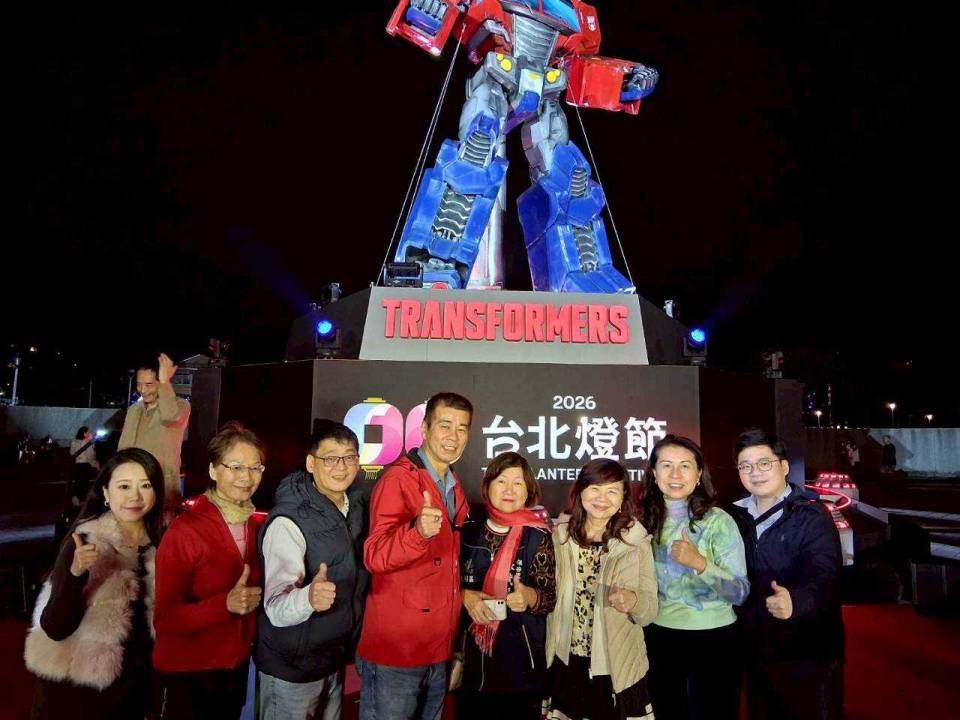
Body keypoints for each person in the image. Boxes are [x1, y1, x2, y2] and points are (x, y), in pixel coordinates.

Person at [356, 392, 473, 720]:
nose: (453, 436)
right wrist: (417, 534)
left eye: (462, 428)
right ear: (424, 429)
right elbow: (374, 556)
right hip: (397, 652)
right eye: (445, 425)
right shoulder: (399, 478)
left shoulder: (451, 483)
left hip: (436, 649)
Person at [25, 448, 165, 719]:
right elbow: (55, 626)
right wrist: (76, 573)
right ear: (105, 493)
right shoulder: (86, 540)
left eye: (145, 485)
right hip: (81, 692)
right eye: (124, 486)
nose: (135, 496)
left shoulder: (162, 544)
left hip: (133, 688)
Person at [255, 420, 370, 720]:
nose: (341, 467)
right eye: (330, 458)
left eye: (349, 457)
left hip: (333, 661)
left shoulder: (357, 509)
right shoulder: (288, 521)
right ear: (310, 463)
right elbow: (275, 607)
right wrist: (308, 598)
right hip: (291, 669)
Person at [728, 428, 845, 720]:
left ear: (783, 466)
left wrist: (798, 600)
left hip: (807, 651)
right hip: (756, 650)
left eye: (764, 463)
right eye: (745, 466)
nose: (755, 472)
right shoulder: (733, 518)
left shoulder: (812, 515)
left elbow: (826, 574)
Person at [153, 422, 265, 720]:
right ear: (214, 471)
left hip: (234, 668)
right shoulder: (185, 530)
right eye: (236, 467)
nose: (247, 477)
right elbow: (164, 618)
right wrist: (224, 605)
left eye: (255, 468)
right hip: (190, 672)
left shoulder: (253, 525)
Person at [638, 435, 750, 720]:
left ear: (699, 474)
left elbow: (740, 592)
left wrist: (700, 564)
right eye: (666, 465)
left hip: (715, 641)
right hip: (660, 637)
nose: (675, 474)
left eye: (685, 466)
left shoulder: (717, 521)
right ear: (653, 473)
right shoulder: (642, 520)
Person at [546, 459, 659, 720]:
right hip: (567, 659)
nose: (602, 498)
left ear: (623, 498)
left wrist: (632, 601)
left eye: (612, 491)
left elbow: (649, 611)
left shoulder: (635, 541)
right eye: (595, 488)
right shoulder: (561, 536)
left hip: (615, 664)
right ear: (581, 491)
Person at [456, 452, 556, 720]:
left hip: (521, 663)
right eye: (501, 481)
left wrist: (529, 597)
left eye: (518, 483)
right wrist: (464, 595)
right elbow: (444, 585)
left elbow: (549, 598)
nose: (509, 490)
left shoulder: (537, 535)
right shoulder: (468, 529)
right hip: (473, 661)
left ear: (528, 491)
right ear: (487, 485)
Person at [118, 354, 190, 507]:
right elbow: (123, 447)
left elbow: (169, 416)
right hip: (133, 486)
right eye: (139, 384)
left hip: (162, 487)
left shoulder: (181, 406)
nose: (142, 390)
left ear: (161, 382)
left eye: (149, 384)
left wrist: (165, 382)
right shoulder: (134, 410)